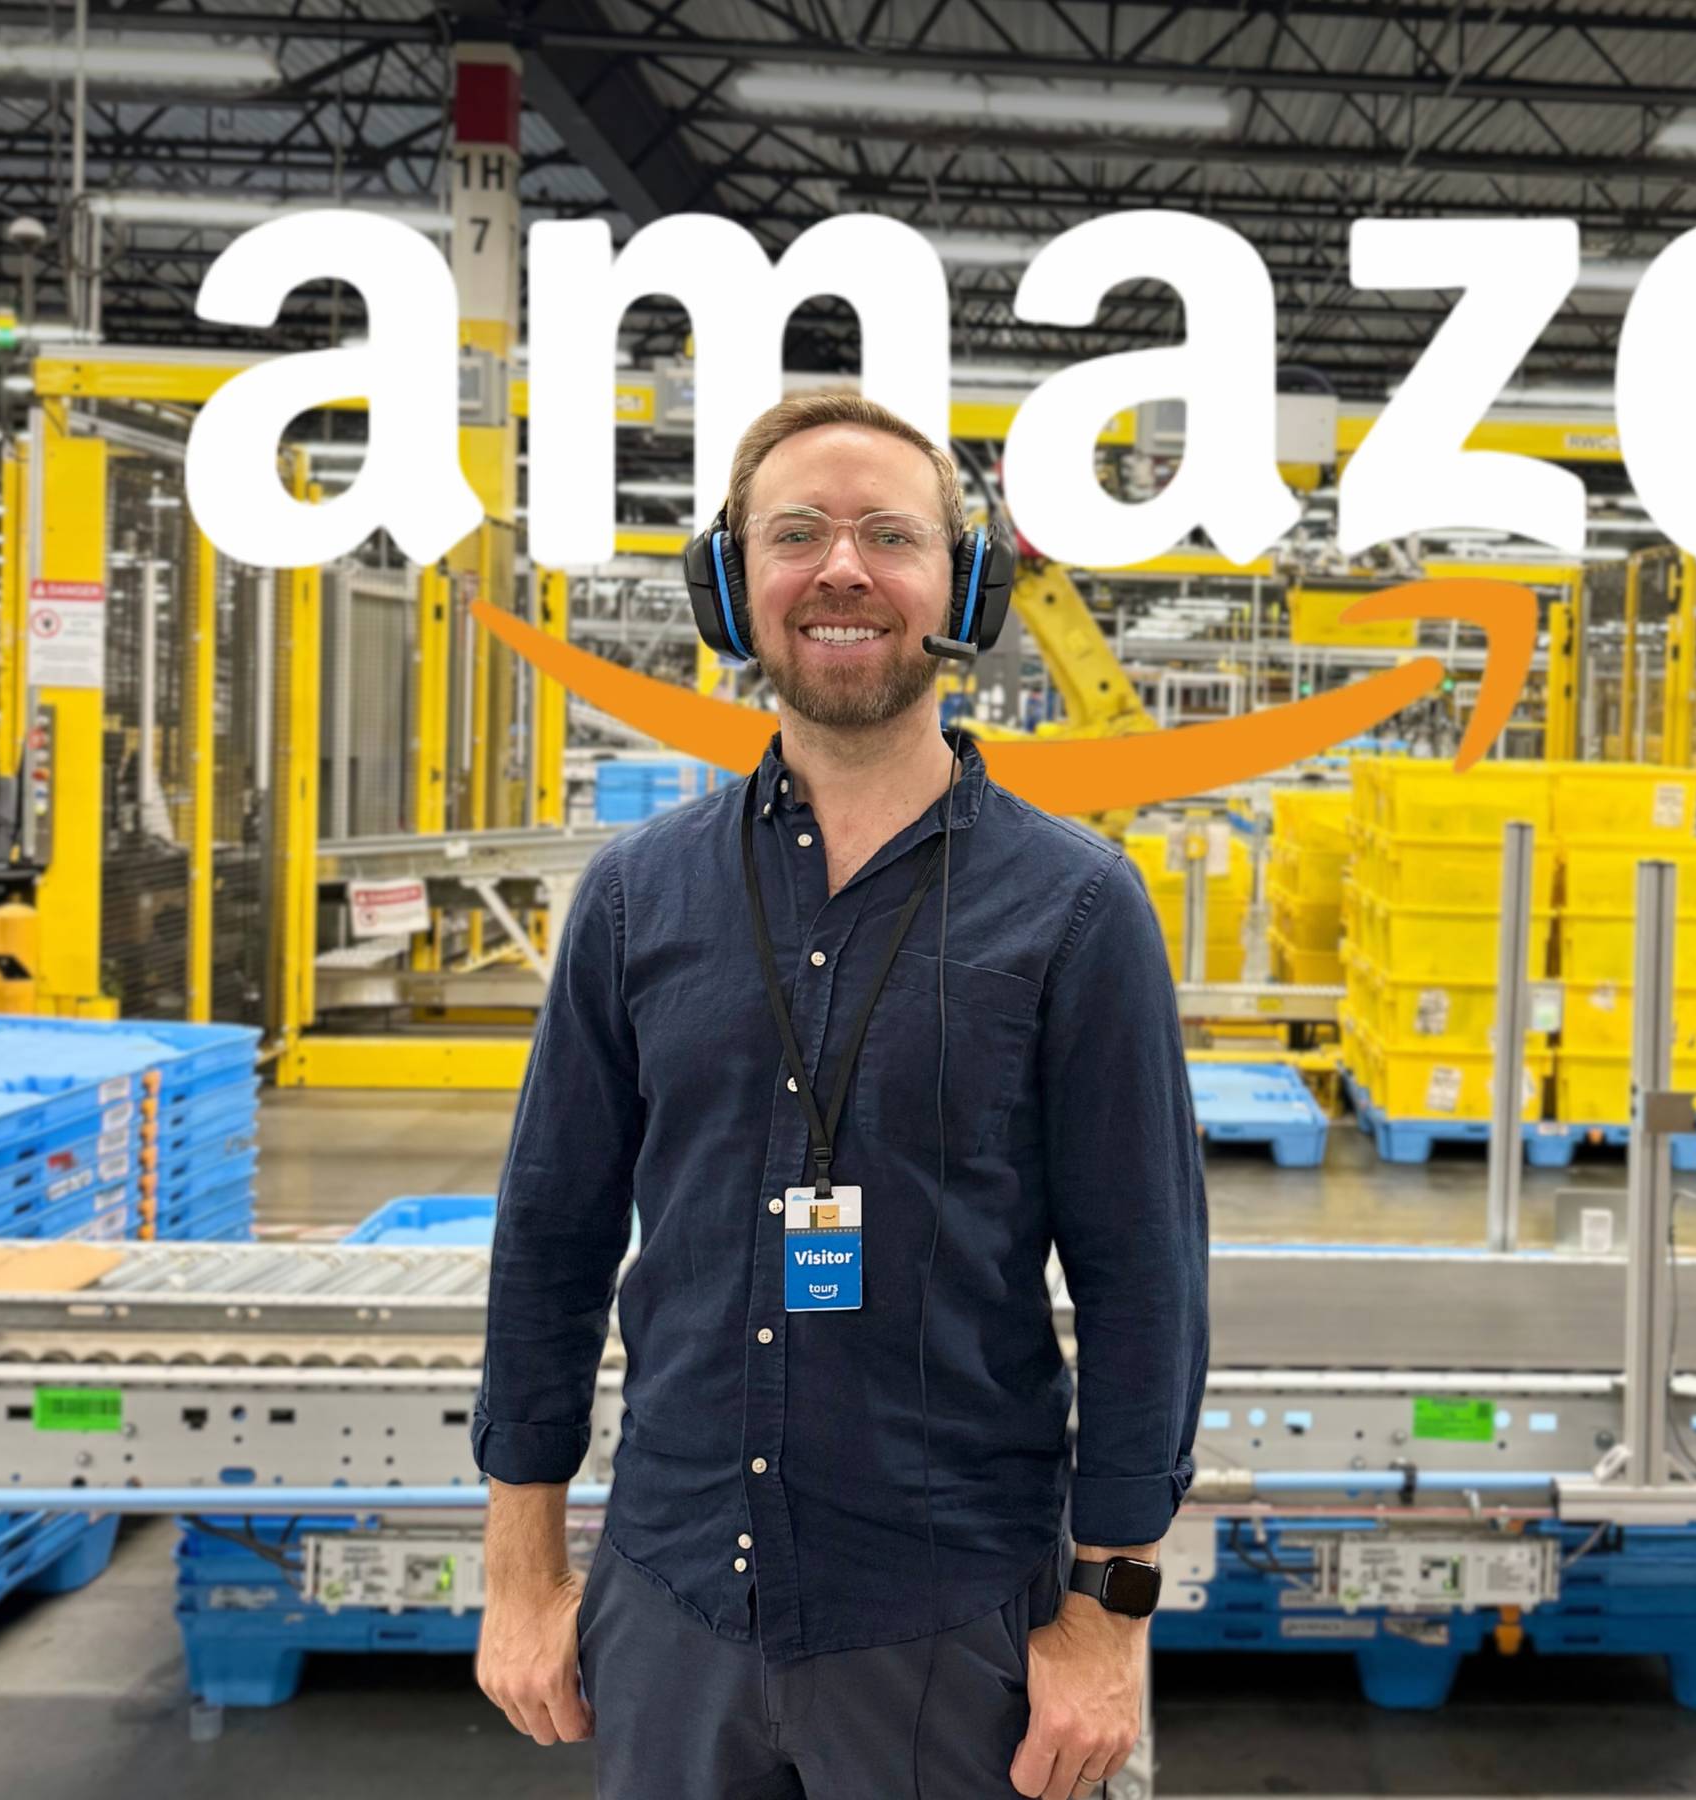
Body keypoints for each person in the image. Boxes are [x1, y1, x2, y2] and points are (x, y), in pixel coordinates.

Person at [471, 390, 1210, 1799]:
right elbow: (551, 1242)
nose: (843, 570)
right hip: (674, 1600)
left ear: (963, 586)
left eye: (891, 535)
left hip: (948, 1621)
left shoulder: (1075, 909)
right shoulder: (639, 901)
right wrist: (522, 1573)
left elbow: (1144, 1286)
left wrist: (1106, 1623)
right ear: (732, 589)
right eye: (794, 534)